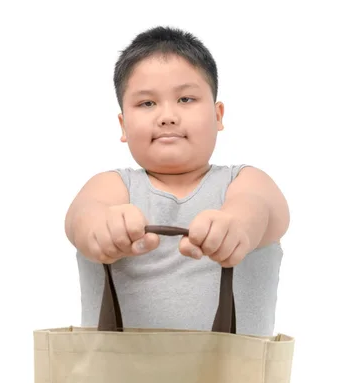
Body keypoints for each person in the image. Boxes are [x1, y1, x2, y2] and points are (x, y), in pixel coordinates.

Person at [64, 26, 289, 337]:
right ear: (123, 124)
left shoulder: (247, 181)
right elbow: (82, 217)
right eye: (147, 104)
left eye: (186, 98)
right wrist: (101, 227)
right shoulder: (111, 187)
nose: (167, 116)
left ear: (218, 115)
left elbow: (256, 208)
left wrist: (234, 224)